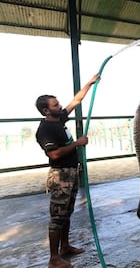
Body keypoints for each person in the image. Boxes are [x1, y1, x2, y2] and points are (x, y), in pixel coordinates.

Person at [35, 74, 100, 268]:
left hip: (71, 172)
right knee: (57, 217)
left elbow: (76, 100)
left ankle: (65, 247)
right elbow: (54, 154)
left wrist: (89, 83)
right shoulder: (45, 129)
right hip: (60, 176)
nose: (60, 106)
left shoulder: (60, 118)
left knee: (67, 213)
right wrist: (78, 143)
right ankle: (53, 259)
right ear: (46, 110)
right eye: (55, 105)